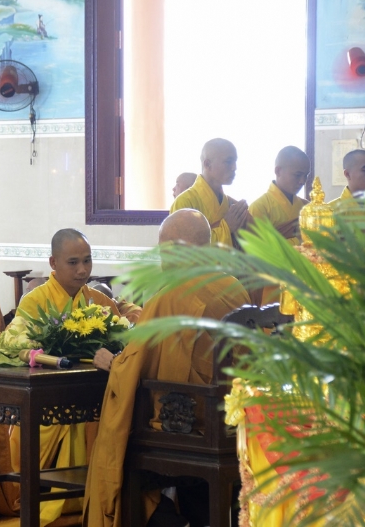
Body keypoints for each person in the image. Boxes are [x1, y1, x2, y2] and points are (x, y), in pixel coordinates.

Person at [83, 209, 250, 527]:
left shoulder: (172, 297)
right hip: (235, 417)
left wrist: (113, 362)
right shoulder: (232, 287)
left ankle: (162, 513)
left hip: (192, 421)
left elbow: (135, 366)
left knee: (124, 424)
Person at [6, 229, 139, 524]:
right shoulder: (34, 301)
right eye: (73, 262)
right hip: (48, 397)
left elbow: (125, 346)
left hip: (93, 395)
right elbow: (15, 347)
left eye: (88, 261)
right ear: (53, 263)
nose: (82, 270)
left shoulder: (99, 302)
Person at [171, 138, 251, 247]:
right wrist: (226, 227)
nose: (234, 167)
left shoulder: (231, 204)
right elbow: (183, 251)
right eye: (228, 162)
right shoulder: (185, 202)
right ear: (207, 164)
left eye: (235, 161)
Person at [249, 146, 310, 245]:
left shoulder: (306, 206)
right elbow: (258, 250)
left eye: (306, 176)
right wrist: (299, 241)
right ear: (278, 171)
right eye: (297, 175)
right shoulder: (260, 207)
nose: (302, 181)